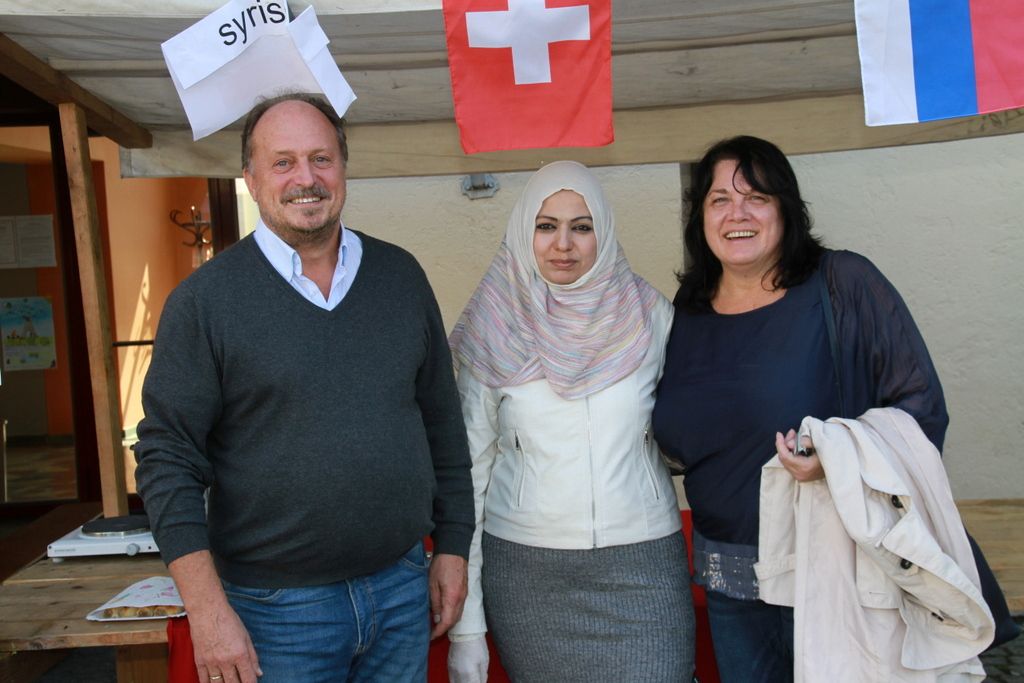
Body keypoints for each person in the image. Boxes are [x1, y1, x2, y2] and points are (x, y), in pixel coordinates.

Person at [134, 93, 475, 683]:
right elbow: (167, 460)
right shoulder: (204, 303)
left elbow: (443, 422)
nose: (306, 179)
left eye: (321, 158)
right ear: (251, 178)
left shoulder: (400, 276)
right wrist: (207, 610)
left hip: (401, 589)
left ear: (343, 167)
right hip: (275, 612)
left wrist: (452, 545)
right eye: (283, 162)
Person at [651, 135, 949, 682]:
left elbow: (920, 406)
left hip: (833, 571)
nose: (737, 213)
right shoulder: (689, 311)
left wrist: (837, 461)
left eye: (756, 197)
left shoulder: (842, 283)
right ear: (701, 217)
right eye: (720, 199)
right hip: (727, 579)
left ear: (785, 209)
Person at [445, 161, 695, 683]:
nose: (563, 244)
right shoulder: (493, 323)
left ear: (603, 232)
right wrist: (467, 629)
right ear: (524, 231)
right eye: (546, 226)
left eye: (582, 226)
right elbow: (468, 477)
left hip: (644, 562)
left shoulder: (650, 316)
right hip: (528, 574)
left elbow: (691, 425)